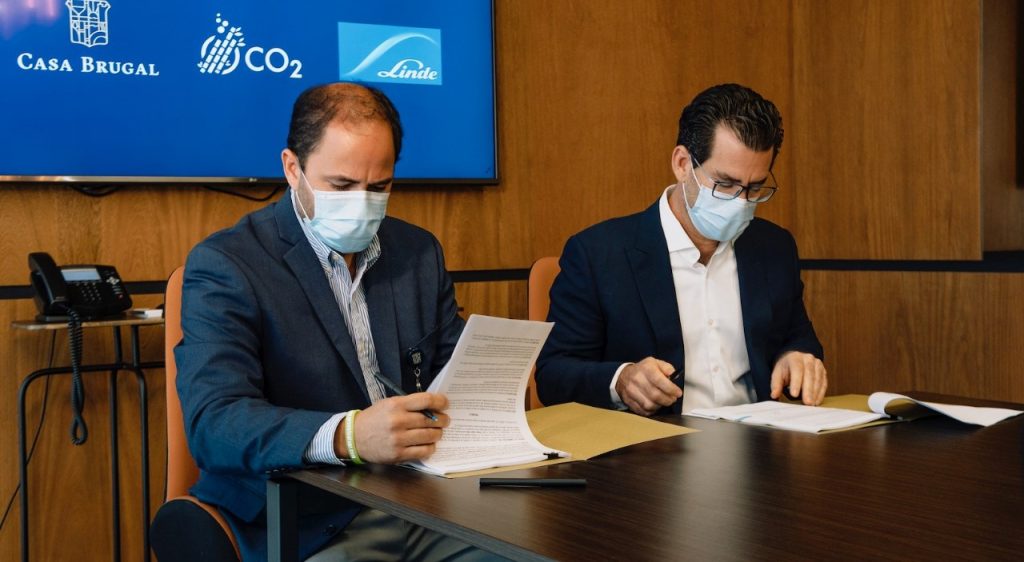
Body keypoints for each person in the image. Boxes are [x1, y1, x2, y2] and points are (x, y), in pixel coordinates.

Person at [174, 83, 496, 561]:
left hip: (426, 501)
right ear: (292, 169)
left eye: (379, 187)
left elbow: (453, 370)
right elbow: (215, 423)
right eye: (342, 186)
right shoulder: (229, 264)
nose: (362, 204)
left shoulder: (417, 252)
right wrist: (349, 436)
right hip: (309, 517)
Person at [535, 83, 827, 416]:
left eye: (755, 187)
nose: (741, 202)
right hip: (657, 441)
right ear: (683, 163)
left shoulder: (774, 247)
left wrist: (796, 358)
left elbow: (800, 340)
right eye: (725, 184)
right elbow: (554, 375)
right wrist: (621, 380)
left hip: (759, 437)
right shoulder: (599, 255)